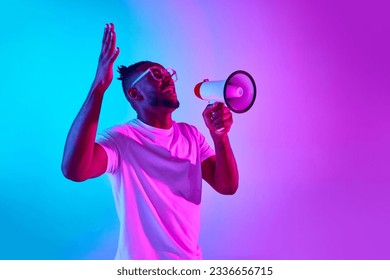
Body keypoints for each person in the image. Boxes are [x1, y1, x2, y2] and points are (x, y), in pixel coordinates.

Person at [61, 23, 239, 260]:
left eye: (168, 74)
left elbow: (227, 186)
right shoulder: (121, 141)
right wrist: (99, 87)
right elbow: (74, 170)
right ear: (135, 94)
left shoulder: (191, 136)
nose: (168, 79)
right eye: (156, 75)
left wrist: (220, 137)